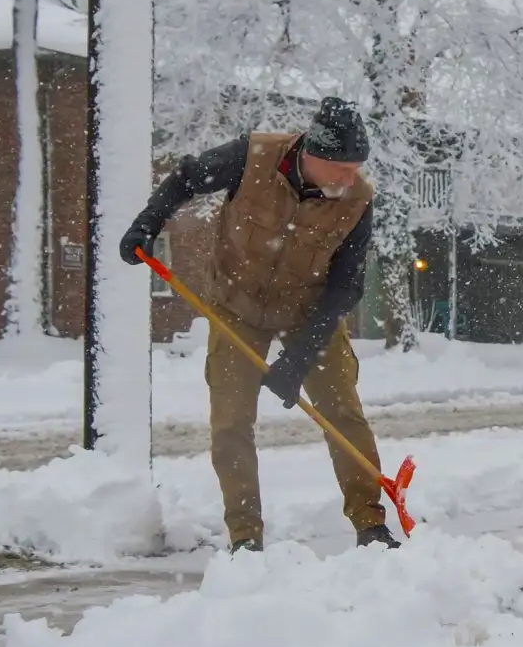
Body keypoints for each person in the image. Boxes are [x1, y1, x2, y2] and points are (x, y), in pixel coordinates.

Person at [118, 97, 400, 553]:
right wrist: (148, 223)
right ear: (311, 154)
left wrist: (300, 357)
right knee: (231, 422)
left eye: (356, 168)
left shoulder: (357, 200)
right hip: (237, 305)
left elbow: (346, 286)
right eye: (341, 169)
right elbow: (188, 177)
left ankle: (370, 524)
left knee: (343, 414)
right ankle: (246, 537)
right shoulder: (252, 157)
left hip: (311, 312)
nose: (350, 179)